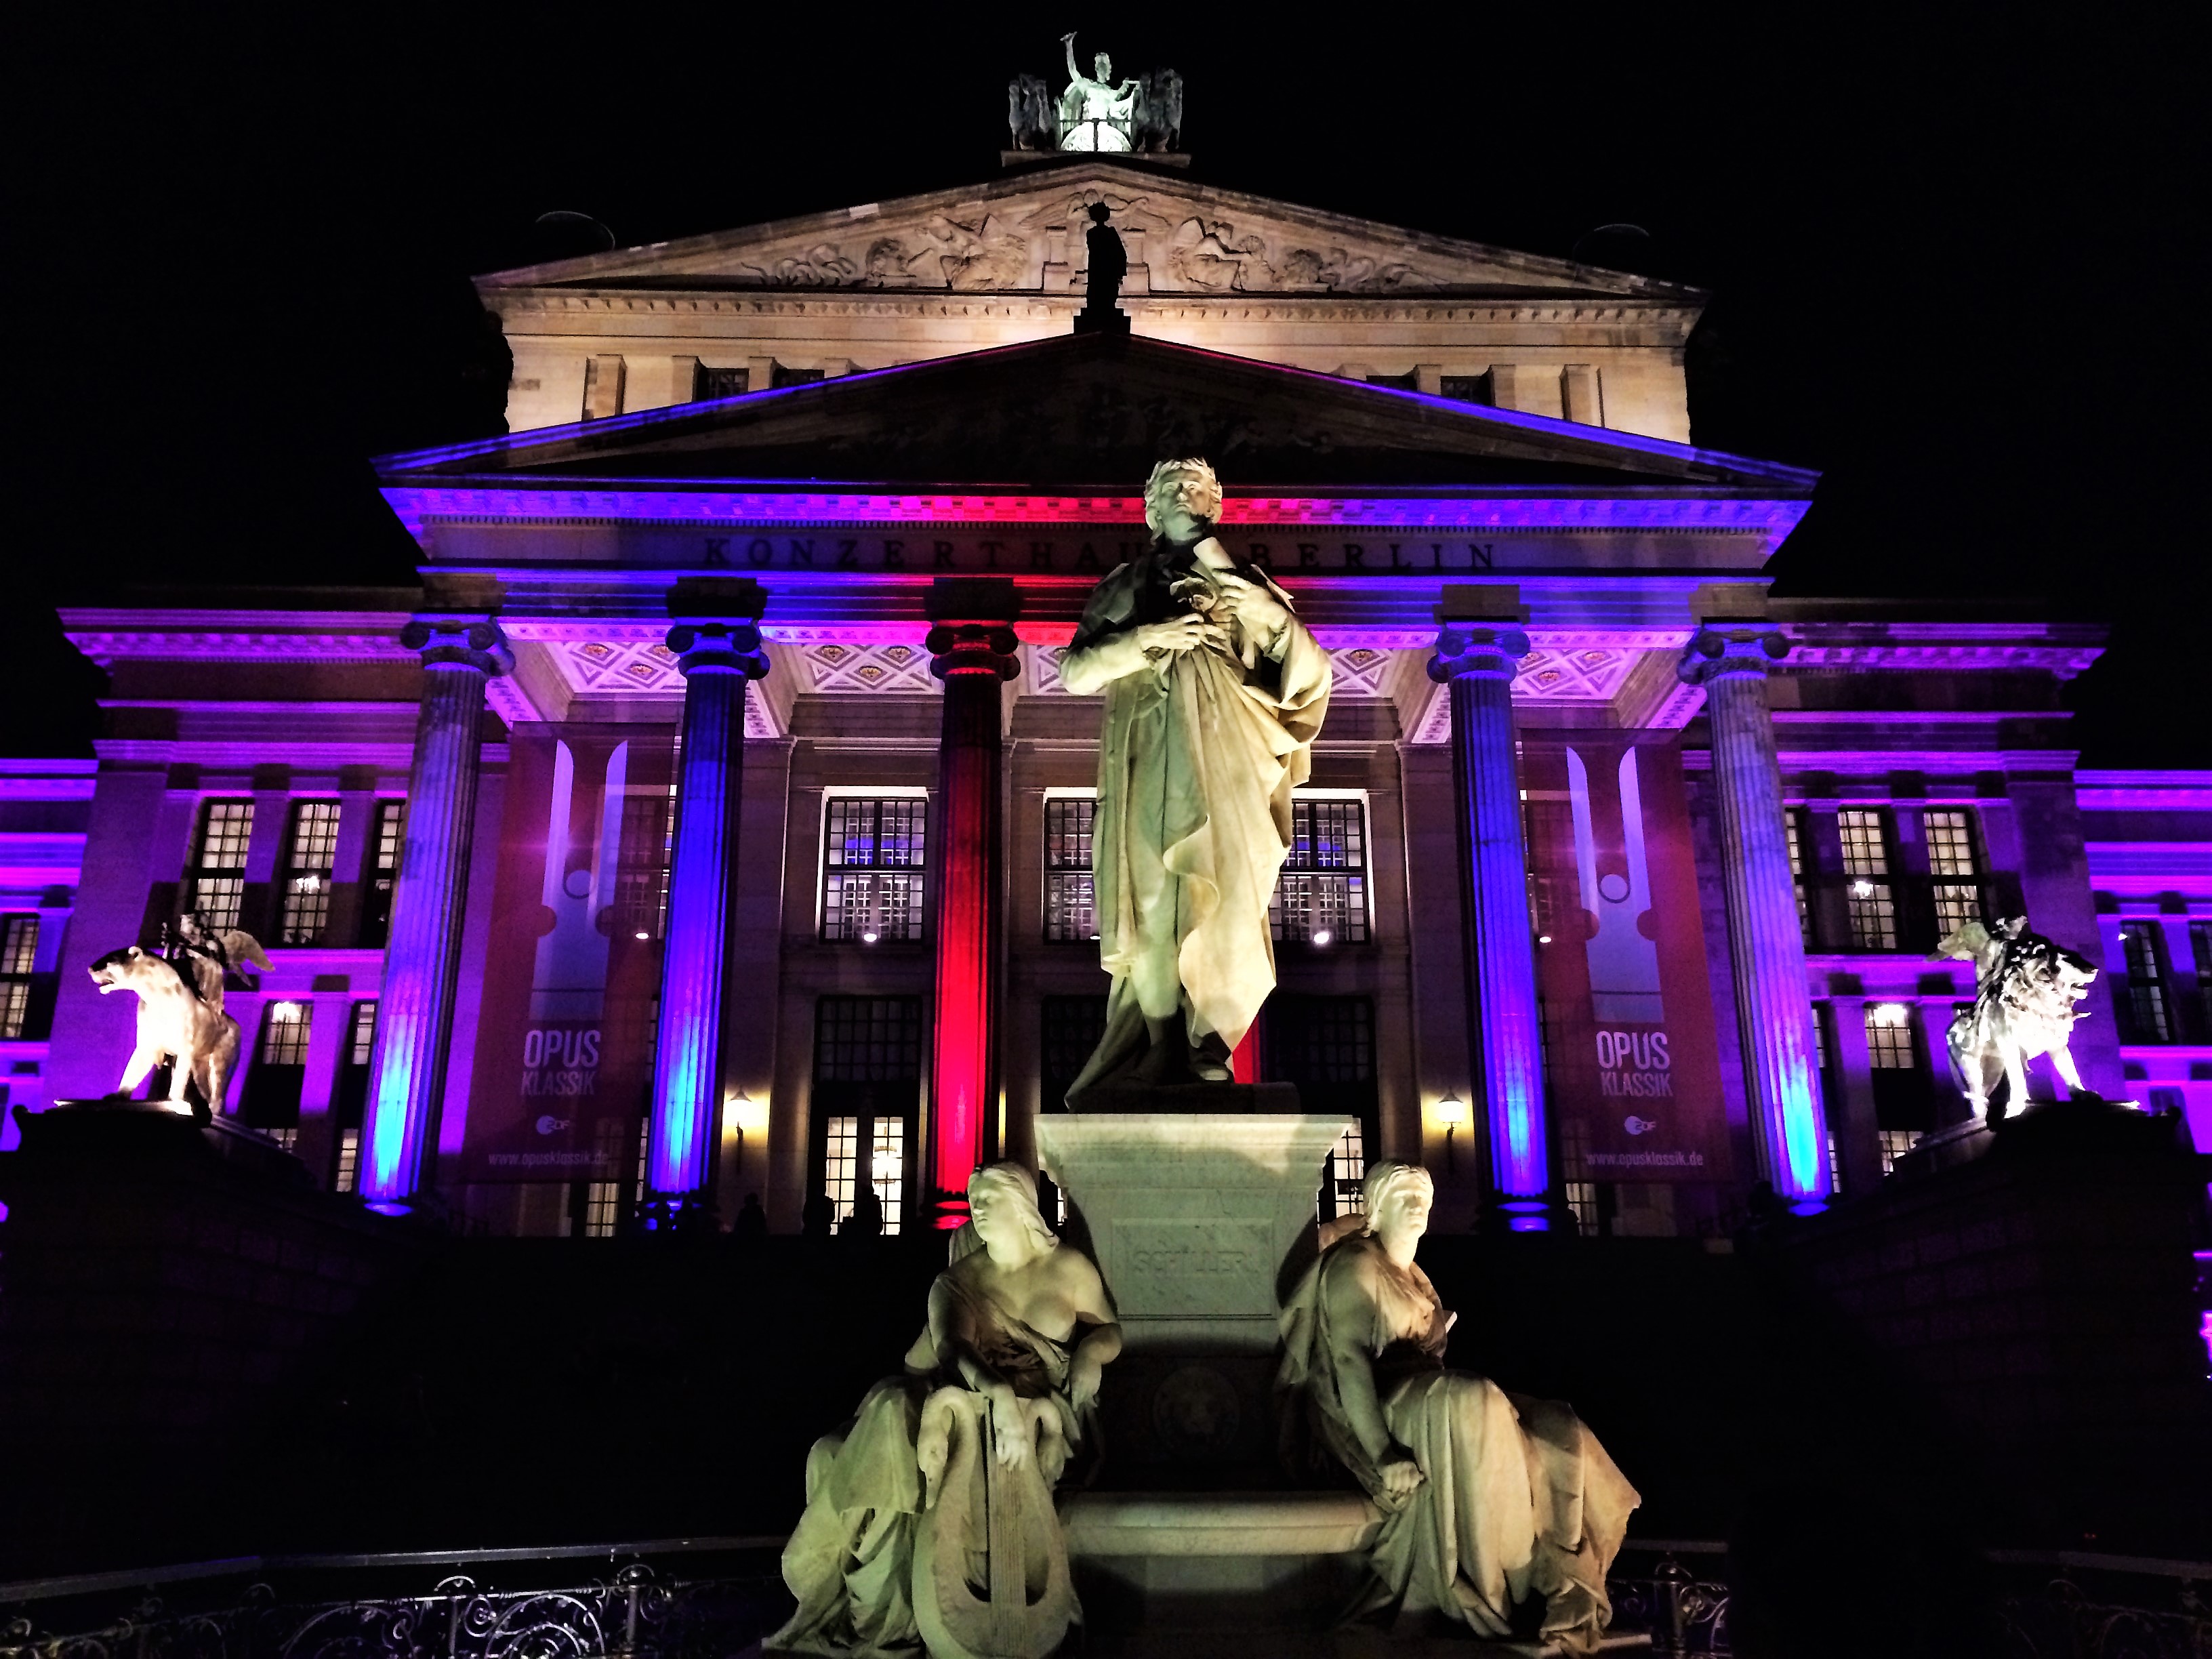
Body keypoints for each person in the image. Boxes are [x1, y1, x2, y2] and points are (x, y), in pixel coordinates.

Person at [1277, 1163, 1639, 1654]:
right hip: (1370, 1409)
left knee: (1555, 1422)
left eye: (1423, 1196)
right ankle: (1507, 1581)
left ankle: (1564, 1577)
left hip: (1421, 1395)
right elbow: (1348, 1362)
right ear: (1375, 1208)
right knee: (1471, 1399)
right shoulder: (1356, 1265)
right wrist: (1383, 1454)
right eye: (1404, 1195)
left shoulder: (1415, 1277)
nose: (1417, 1205)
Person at [1059, 459, 1330, 1097]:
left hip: (1232, 757)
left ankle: (1209, 1042)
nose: (1186, 496)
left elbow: (1311, 677)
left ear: (1218, 505)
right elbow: (1075, 672)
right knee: (1153, 902)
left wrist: (1269, 612)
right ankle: (1159, 1045)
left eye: (1199, 488)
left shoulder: (1248, 583)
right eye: (1171, 490)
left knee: (1229, 898)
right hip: (1151, 754)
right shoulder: (1126, 584)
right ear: (1151, 511)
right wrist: (1150, 637)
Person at [771, 1163, 1122, 1656]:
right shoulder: (959, 1280)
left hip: (1038, 1407)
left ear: (1021, 1203)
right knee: (886, 1414)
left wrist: (1092, 1353)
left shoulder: (1069, 1268)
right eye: (973, 1200)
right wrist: (997, 1392)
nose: (976, 1209)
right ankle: (880, 1611)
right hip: (962, 1396)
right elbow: (954, 1349)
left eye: (988, 1200)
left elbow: (1109, 1328)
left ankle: (887, 1609)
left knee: (878, 1426)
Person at [1056, 33, 1137, 152]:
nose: (1101, 66)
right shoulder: (1088, 86)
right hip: (1087, 128)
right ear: (1096, 68)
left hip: (1104, 129)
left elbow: (1123, 106)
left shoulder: (1111, 93)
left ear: (1109, 68)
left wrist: (1136, 92)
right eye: (1099, 63)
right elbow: (1073, 70)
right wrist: (1069, 45)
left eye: (1104, 63)